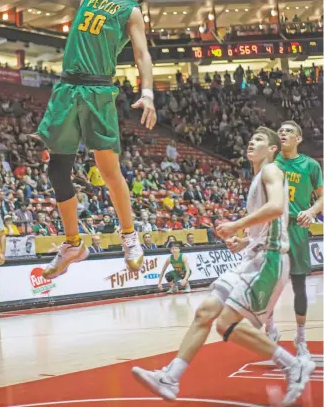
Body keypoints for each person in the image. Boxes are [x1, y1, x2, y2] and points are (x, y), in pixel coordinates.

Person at [132, 127, 315, 406]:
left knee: (226, 324)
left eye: (259, 140)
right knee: (205, 312)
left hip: (271, 258)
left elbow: (278, 207)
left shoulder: (271, 171)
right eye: (251, 138)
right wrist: (243, 240)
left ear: (272, 150)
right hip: (254, 255)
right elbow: (268, 223)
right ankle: (170, 377)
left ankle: (292, 365)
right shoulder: (257, 177)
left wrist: (238, 225)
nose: (251, 141)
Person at [30, 0, 156, 280]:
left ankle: (129, 235)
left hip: (99, 90)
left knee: (107, 168)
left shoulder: (130, 9)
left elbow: (142, 54)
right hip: (67, 87)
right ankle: (72, 244)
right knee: (57, 168)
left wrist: (147, 92)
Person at [266, 121, 323, 359]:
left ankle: (301, 337)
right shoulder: (271, 163)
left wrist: (311, 211)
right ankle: (269, 328)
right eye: (280, 131)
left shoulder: (310, 165)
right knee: (267, 284)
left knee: (299, 287)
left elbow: (322, 197)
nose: (283, 133)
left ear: (299, 138)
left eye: (289, 131)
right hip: (273, 229)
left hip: (297, 230)